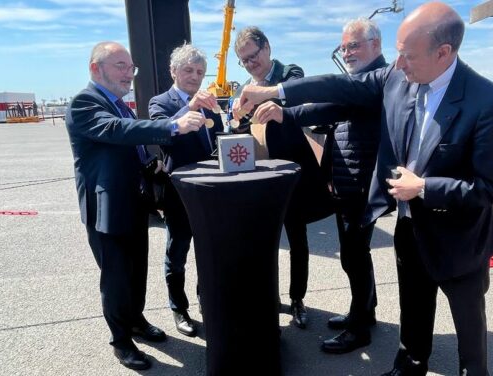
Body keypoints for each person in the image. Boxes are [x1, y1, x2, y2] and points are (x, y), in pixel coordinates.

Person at [236, 2, 493, 374]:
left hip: (458, 237)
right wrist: (276, 92)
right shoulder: (396, 78)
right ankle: (409, 365)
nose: (398, 63)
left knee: (468, 323)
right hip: (409, 225)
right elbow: (339, 88)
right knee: (413, 305)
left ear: (443, 53)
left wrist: (426, 187)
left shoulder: (487, 101)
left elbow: (492, 186)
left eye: (407, 55)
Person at [65, 41, 209, 370]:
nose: (128, 74)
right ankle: (121, 340)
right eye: (120, 66)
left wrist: (149, 165)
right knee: (116, 278)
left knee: (136, 272)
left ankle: (136, 321)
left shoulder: (121, 104)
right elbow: (116, 131)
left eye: (131, 68)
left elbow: (130, 145)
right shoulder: (85, 103)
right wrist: (174, 124)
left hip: (133, 203)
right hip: (106, 209)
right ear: (94, 68)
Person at [253, 17, 389, 354]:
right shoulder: (359, 82)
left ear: (376, 45)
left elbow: (329, 89)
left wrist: (276, 93)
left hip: (361, 185)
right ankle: (365, 311)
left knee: (354, 256)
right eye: (343, 47)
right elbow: (328, 107)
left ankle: (359, 330)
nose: (347, 52)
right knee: (356, 255)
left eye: (354, 45)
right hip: (350, 183)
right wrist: (285, 114)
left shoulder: (375, 79)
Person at [233, 26, 332, 329]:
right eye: (244, 61)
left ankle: (298, 298)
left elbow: (294, 97)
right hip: (259, 177)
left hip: (292, 176)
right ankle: (268, 297)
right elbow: (237, 128)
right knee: (264, 242)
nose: (251, 64)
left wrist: (256, 97)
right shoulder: (244, 88)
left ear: (266, 48)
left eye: (253, 56)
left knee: (298, 240)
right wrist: (236, 115)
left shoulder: (288, 72)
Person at [148, 44, 223, 337]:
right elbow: (161, 134)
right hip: (178, 193)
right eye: (189, 70)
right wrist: (189, 108)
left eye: (200, 72)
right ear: (173, 71)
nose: (195, 77)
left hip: (208, 191)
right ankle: (179, 308)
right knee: (177, 251)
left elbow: (214, 142)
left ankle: (206, 300)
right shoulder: (161, 102)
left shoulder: (207, 101)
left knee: (208, 251)